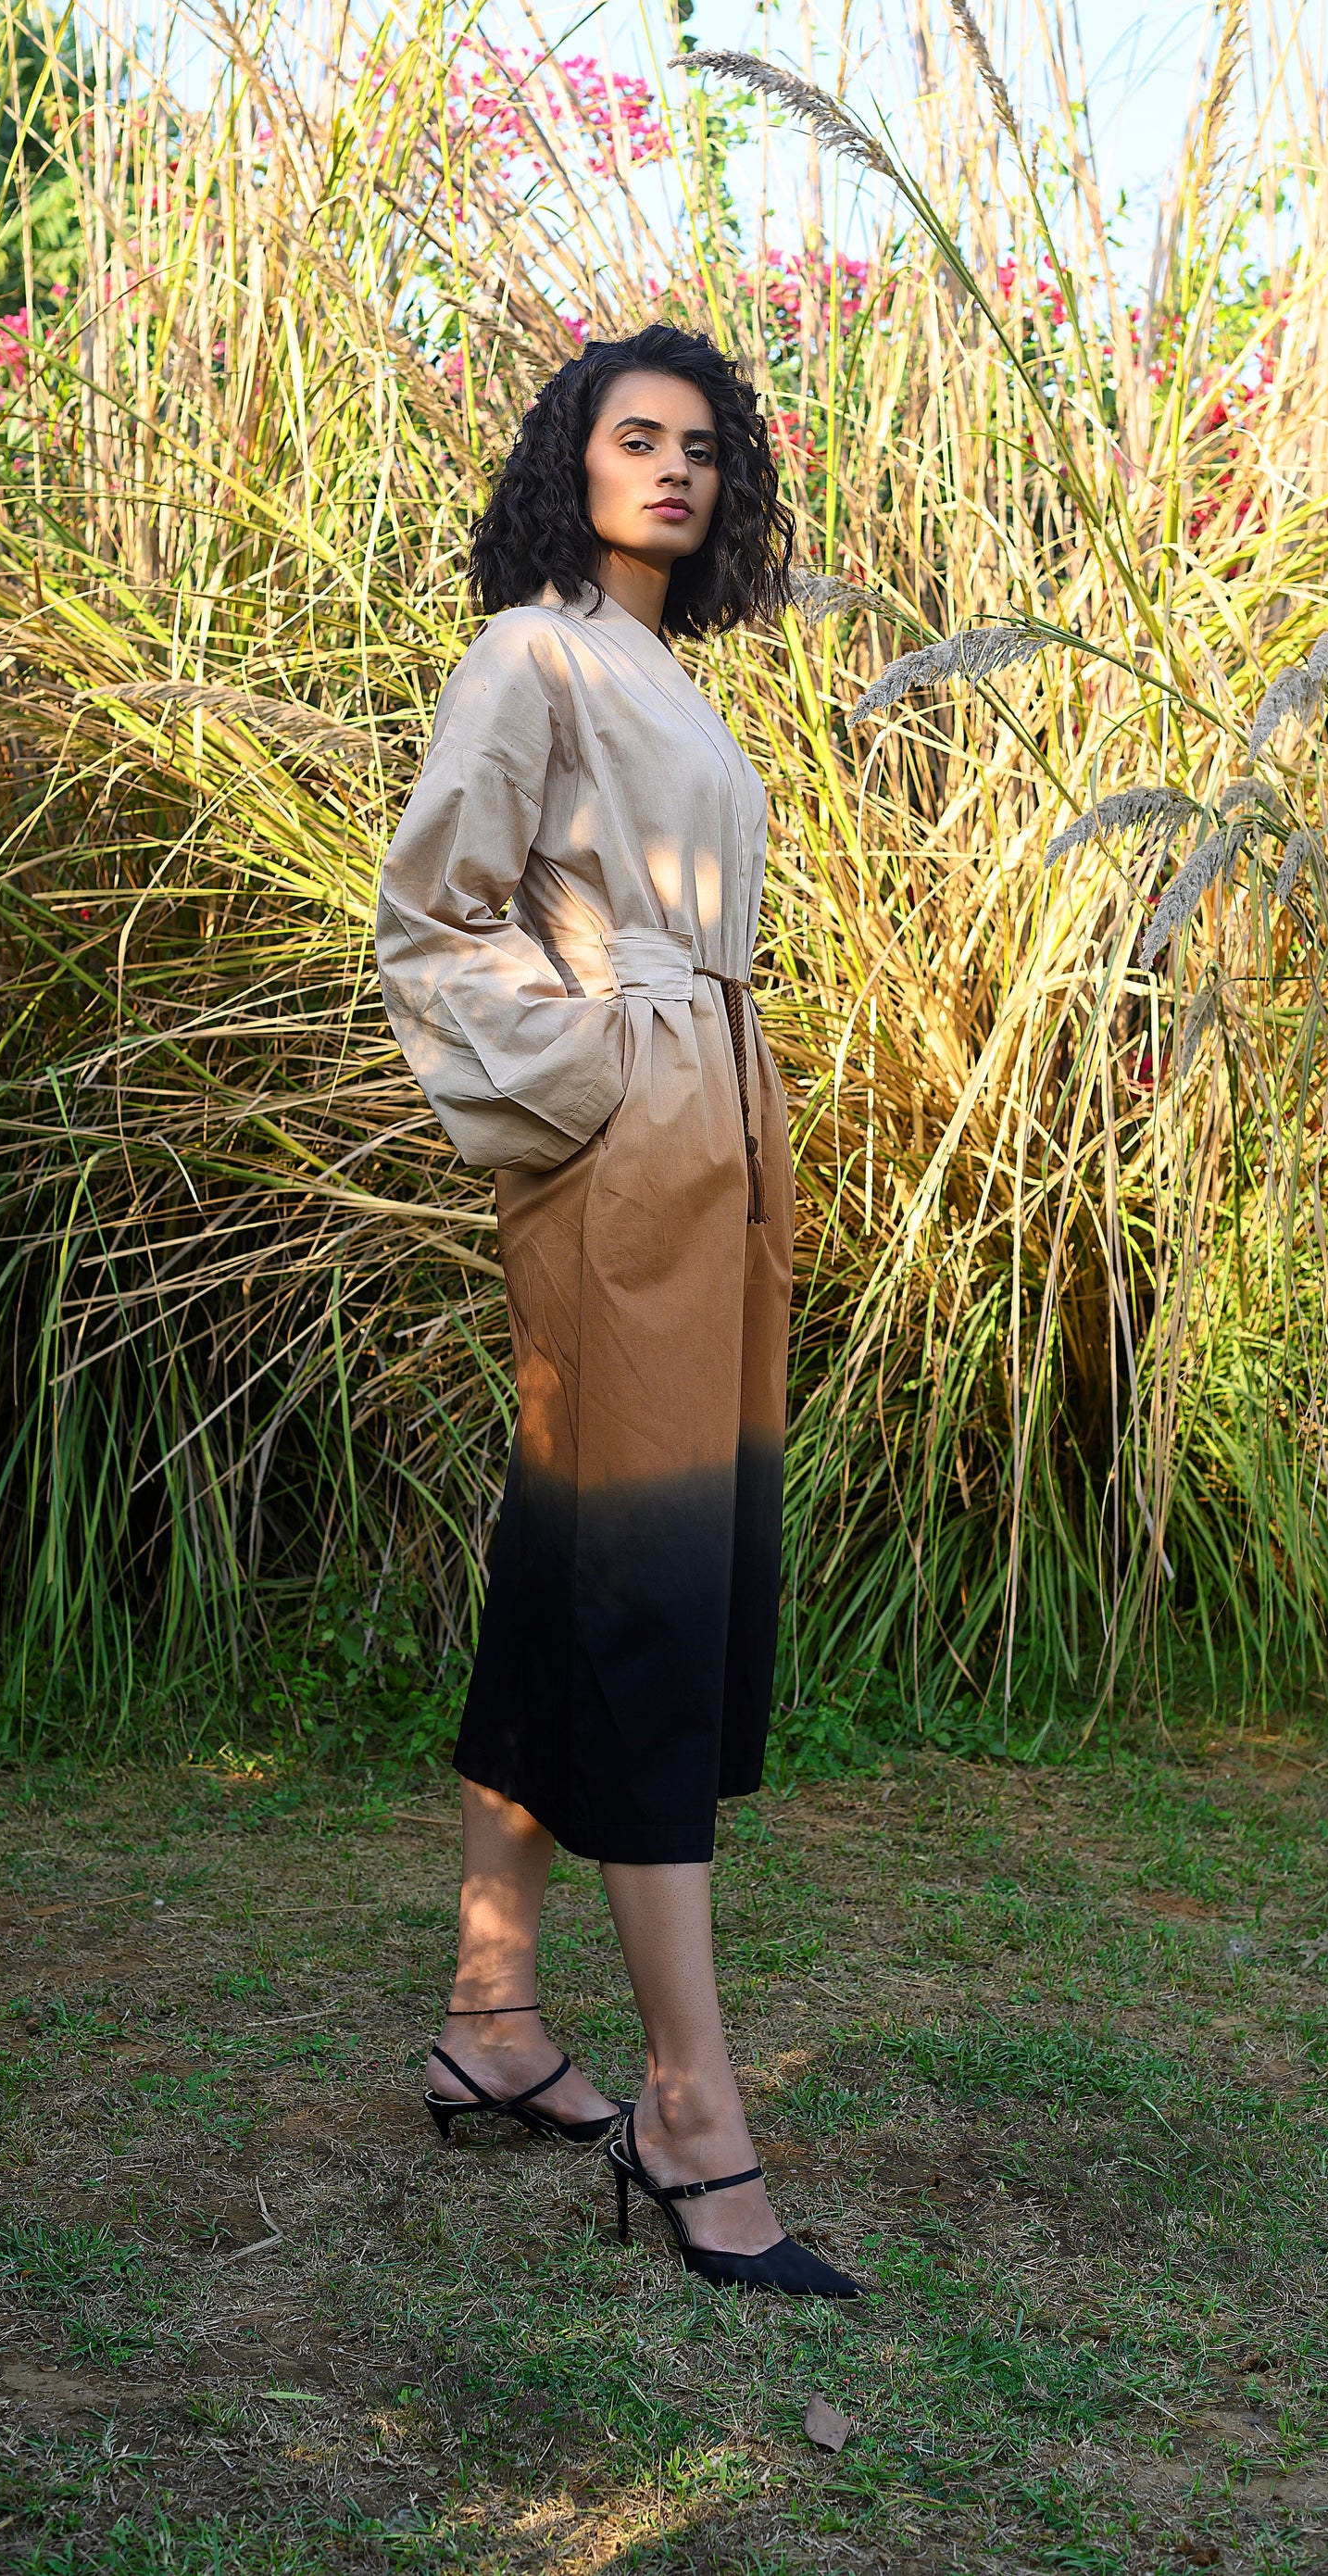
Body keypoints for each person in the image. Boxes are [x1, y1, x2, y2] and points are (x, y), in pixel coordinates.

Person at [375, 322, 859, 2299]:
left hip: (712, 1131)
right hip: (633, 1129)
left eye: (700, 445)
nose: (670, 466)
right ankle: (691, 2108)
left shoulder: (666, 671)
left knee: (577, 1553)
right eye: (632, 435)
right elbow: (432, 914)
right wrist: (598, 1072)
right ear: (568, 462)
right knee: (650, 1588)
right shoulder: (534, 652)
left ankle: (493, 2016)